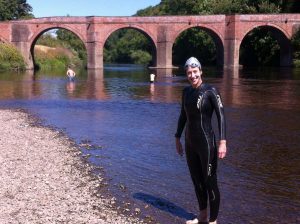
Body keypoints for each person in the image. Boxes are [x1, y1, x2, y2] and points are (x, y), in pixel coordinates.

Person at [175, 57, 227, 224]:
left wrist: (223, 141)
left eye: (195, 72)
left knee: (210, 181)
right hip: (190, 143)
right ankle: (203, 216)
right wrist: (177, 137)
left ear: (201, 72)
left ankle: (213, 220)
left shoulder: (211, 91)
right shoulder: (186, 92)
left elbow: (221, 117)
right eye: (189, 73)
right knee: (196, 180)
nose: (192, 75)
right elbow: (183, 116)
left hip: (207, 144)